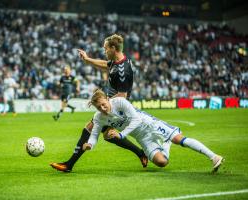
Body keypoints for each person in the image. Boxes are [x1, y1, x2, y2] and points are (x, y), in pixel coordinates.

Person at [50, 34, 147, 172]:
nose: (104, 51)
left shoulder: (122, 70)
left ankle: (69, 164)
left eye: (105, 48)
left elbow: (122, 97)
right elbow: (105, 65)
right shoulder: (117, 61)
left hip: (114, 108)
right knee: (107, 136)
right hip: (109, 105)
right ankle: (140, 153)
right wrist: (87, 59)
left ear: (113, 48)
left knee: (90, 127)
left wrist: (108, 112)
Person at [83, 89, 224, 173]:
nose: (102, 108)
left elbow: (136, 120)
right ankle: (166, 144)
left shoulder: (119, 102)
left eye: (103, 104)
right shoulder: (99, 117)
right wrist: (90, 144)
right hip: (142, 138)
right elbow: (94, 135)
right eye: (98, 107)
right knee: (162, 162)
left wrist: (121, 134)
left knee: (179, 139)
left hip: (150, 125)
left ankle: (214, 157)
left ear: (107, 99)